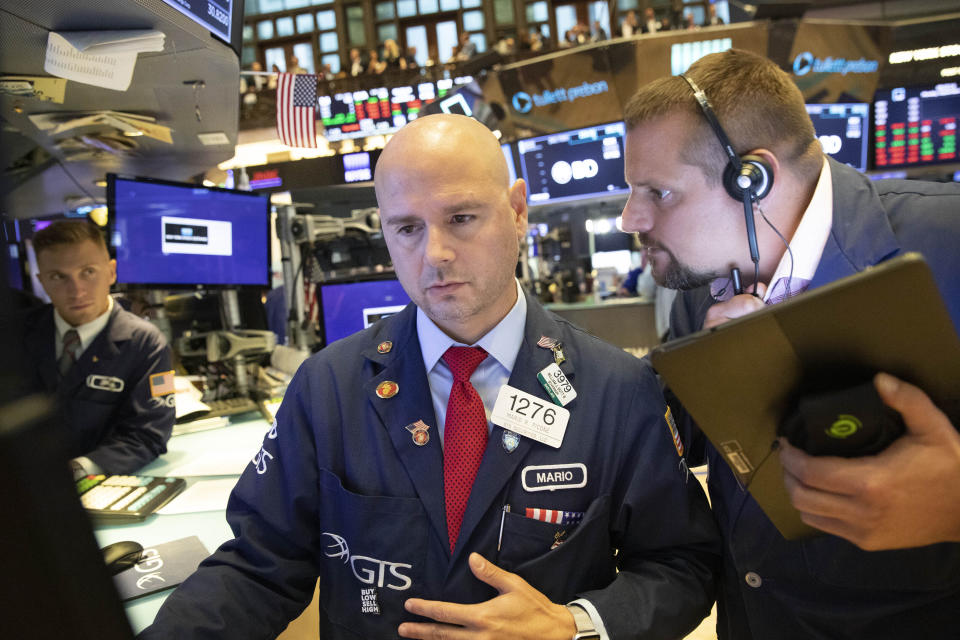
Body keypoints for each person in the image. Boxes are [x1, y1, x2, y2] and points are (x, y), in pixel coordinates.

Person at [141, 114, 720, 639]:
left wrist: (577, 626)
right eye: (407, 228)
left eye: (461, 218)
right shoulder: (328, 388)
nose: (434, 254)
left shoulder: (616, 389)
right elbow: (259, 564)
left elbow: (682, 563)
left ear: (518, 211)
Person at [619, 48, 960, 639]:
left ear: (751, 178)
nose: (630, 217)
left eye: (658, 192)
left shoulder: (947, 244)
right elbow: (690, 436)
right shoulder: (705, 284)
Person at [19, 220, 174, 477]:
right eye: (58, 277)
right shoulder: (15, 333)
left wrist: (79, 469)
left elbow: (148, 434)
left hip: (98, 482)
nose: (76, 290)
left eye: (88, 272)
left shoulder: (146, 344)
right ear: (42, 281)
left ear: (112, 272)